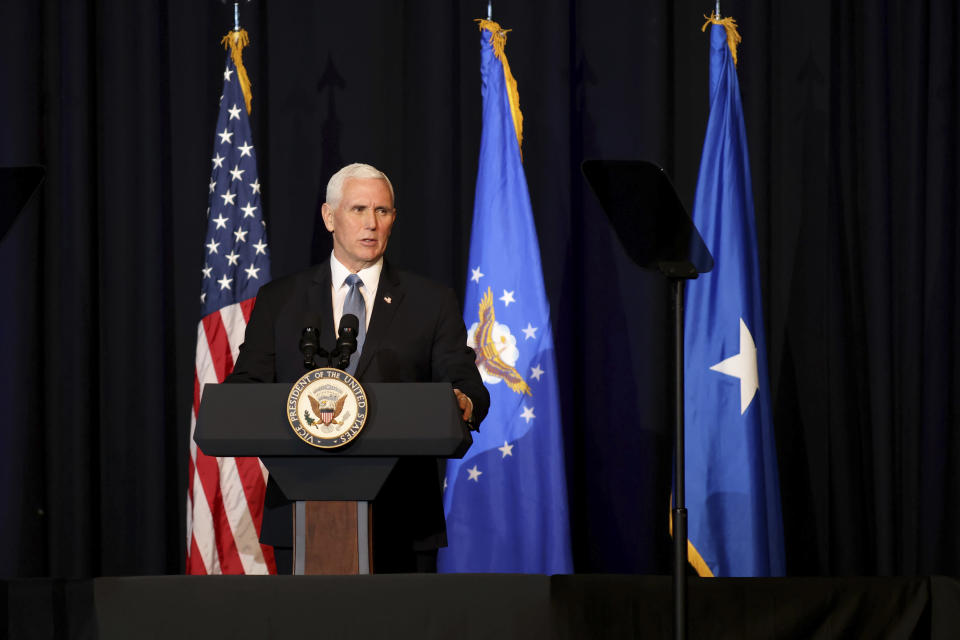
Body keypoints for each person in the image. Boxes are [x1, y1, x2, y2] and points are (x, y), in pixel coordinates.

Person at [227, 163, 489, 573]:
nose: (371, 223)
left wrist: (463, 402)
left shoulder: (430, 301)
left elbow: (465, 383)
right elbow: (246, 390)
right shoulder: (280, 300)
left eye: (382, 212)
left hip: (404, 519)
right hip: (301, 512)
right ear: (329, 217)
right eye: (358, 210)